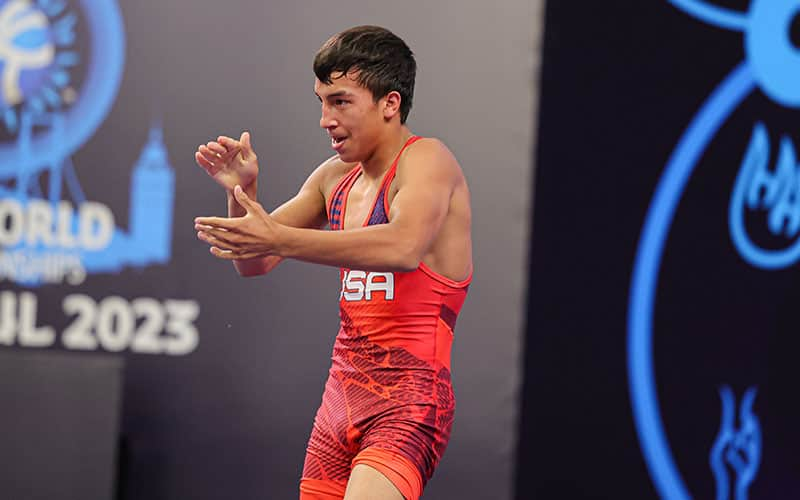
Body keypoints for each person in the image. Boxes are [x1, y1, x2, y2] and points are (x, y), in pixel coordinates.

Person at [193, 25, 472, 500]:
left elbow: (403, 247)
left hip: (408, 400)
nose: (325, 119)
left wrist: (279, 237)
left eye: (340, 102)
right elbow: (254, 262)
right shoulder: (334, 177)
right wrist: (243, 194)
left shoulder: (427, 161)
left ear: (390, 103)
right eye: (321, 101)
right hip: (339, 401)